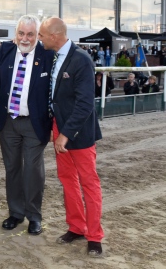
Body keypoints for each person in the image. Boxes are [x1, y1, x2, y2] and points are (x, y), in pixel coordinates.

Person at [38, 17, 104, 257]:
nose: (39, 39)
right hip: (59, 129)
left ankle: (95, 237)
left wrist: (65, 135)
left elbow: (86, 103)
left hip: (79, 134)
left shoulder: (82, 60)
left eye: (42, 35)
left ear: (54, 36)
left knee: (89, 184)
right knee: (68, 181)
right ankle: (77, 227)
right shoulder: (52, 55)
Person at [0, 15, 53, 236]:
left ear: (37, 36)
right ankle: (16, 213)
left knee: (33, 171)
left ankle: (34, 216)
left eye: (30, 34)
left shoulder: (47, 55)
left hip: (35, 124)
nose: (25, 38)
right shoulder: (5, 51)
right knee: (12, 168)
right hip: (9, 121)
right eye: (21, 33)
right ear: (16, 33)